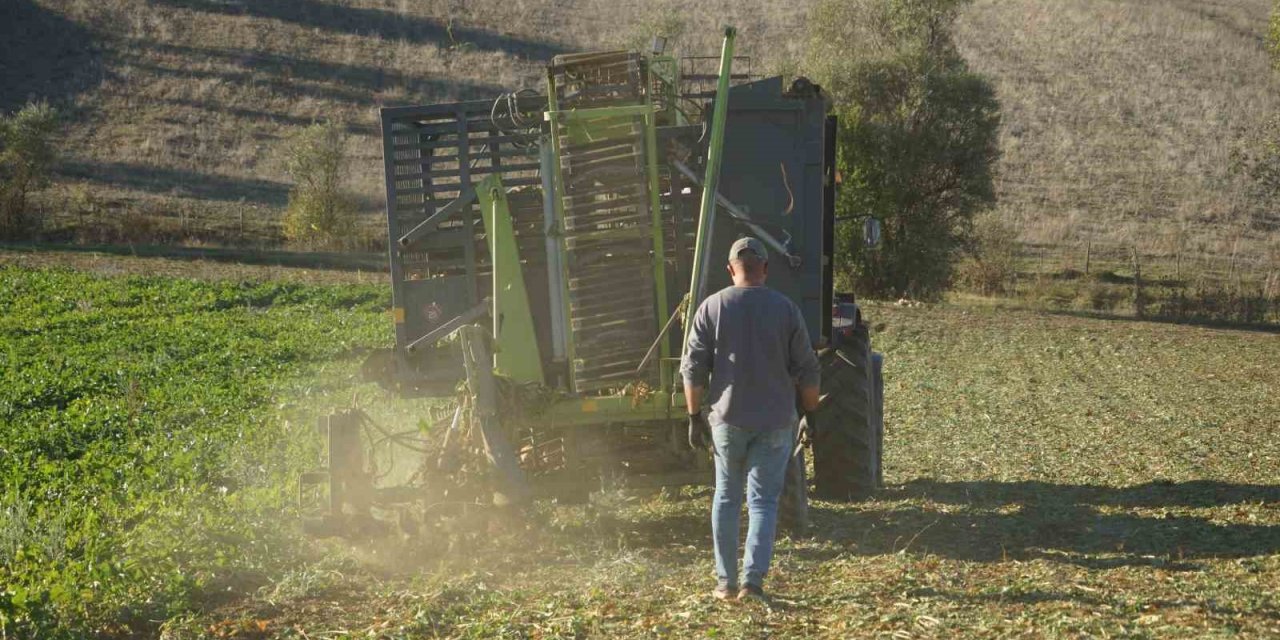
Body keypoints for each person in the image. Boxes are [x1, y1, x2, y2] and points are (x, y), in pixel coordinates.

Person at [679, 236, 821, 603]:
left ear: (730, 269)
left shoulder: (711, 307)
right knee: (762, 503)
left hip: (727, 420)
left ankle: (725, 584)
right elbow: (808, 369)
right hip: (775, 421)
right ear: (766, 270)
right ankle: (752, 583)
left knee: (726, 497)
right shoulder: (786, 309)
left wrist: (694, 417)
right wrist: (809, 414)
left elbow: (692, 369)